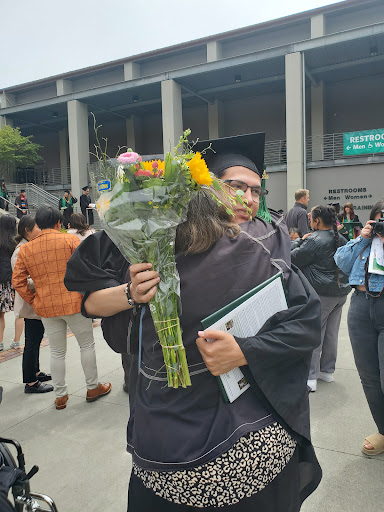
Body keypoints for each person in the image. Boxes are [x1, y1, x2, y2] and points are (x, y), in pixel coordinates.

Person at [65, 133, 322, 511]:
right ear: (205, 187)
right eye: (235, 187)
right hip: (168, 435)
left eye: (256, 191)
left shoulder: (267, 241)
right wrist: (131, 294)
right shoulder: (148, 237)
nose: (248, 199)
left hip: (246, 431)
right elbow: (89, 303)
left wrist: (245, 351)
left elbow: (306, 319)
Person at [12, 206, 111, 410]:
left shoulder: (26, 249)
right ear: (58, 223)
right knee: (86, 345)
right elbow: (89, 267)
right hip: (74, 301)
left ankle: (60, 396)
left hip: (47, 307)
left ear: (38, 224)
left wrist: (34, 300)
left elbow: (18, 281)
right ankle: (92, 387)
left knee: (56, 352)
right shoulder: (71, 240)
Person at [334, 200, 384, 456]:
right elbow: (341, 261)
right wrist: (363, 238)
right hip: (361, 307)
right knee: (369, 377)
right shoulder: (365, 241)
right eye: (379, 220)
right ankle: (383, 431)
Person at [291, 205, 351, 392]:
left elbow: (292, 258)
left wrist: (299, 241)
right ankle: (327, 371)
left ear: (317, 221)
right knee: (331, 332)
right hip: (340, 292)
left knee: (315, 332)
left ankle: (310, 377)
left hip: (321, 293)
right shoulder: (341, 238)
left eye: (311, 218)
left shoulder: (313, 240)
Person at [11, 215, 53, 394]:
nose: (40, 230)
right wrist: (41, 279)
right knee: (32, 342)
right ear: (27, 230)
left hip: (34, 303)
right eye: (37, 227)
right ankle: (30, 382)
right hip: (30, 303)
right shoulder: (20, 251)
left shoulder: (27, 247)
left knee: (35, 340)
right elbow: (20, 280)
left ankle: (35, 372)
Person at [0, 215, 24, 352]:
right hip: (14, 281)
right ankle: (16, 341)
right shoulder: (16, 242)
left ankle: (0, 343)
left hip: (0, 282)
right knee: (19, 312)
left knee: (0, 314)